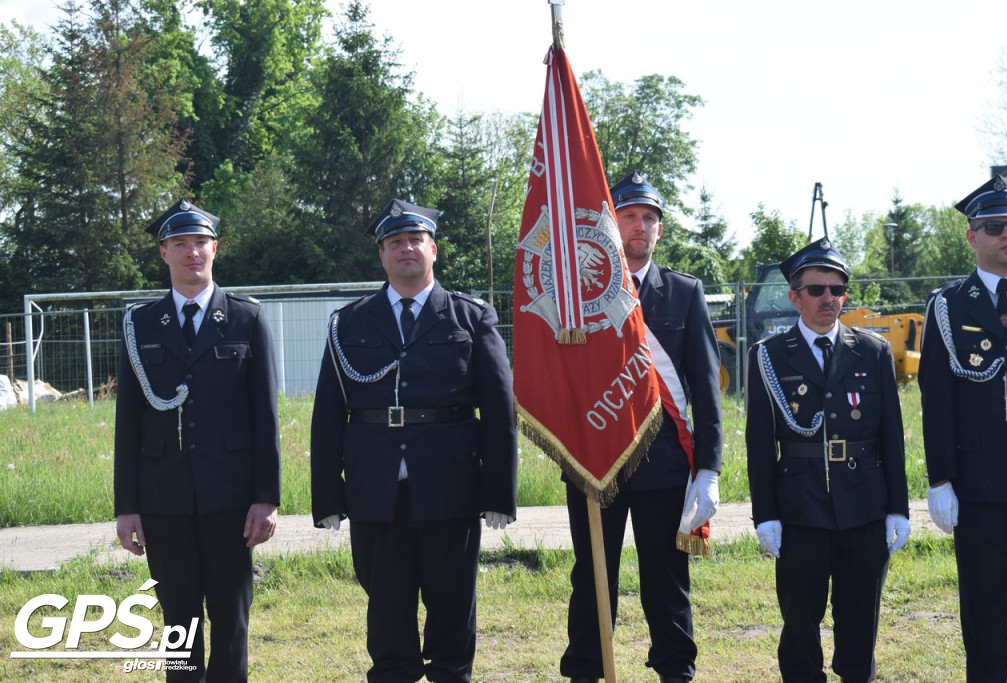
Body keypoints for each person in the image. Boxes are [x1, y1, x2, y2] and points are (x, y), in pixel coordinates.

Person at [309, 199, 518, 683]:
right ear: (382, 256)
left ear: (434, 250)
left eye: (415, 240)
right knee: (386, 614)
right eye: (394, 242)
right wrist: (328, 498)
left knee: (452, 612)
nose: (406, 248)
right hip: (376, 491)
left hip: (451, 487)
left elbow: (499, 410)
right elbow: (327, 416)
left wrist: (498, 495)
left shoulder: (472, 318)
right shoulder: (349, 323)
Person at [559, 172, 724, 683]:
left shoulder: (683, 292)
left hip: (665, 465)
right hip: (596, 461)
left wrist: (709, 469)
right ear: (612, 225)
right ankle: (586, 670)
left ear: (659, 231)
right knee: (592, 578)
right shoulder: (580, 291)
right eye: (628, 216)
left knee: (666, 579)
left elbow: (705, 386)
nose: (639, 226)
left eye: (649, 218)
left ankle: (676, 669)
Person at [114, 199, 281, 681]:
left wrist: (266, 498)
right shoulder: (139, 324)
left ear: (215, 250)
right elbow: (129, 422)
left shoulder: (247, 319)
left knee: (231, 619)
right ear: (163, 253)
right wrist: (127, 506)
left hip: (231, 500)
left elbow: (265, 418)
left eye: (201, 243)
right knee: (178, 623)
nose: (192, 253)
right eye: (180, 244)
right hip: (163, 499)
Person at [745, 238, 910, 682]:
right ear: (795, 296)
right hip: (801, 508)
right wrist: (766, 514)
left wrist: (898, 508)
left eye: (837, 290)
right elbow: (759, 444)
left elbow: (891, 436)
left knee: (860, 625)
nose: (828, 299)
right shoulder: (769, 356)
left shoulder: (872, 352)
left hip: (863, 505)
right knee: (800, 626)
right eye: (816, 290)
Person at [920, 174, 1007, 681]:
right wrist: (940, 479)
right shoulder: (948, 305)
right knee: (982, 606)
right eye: (997, 227)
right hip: (978, 483)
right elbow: (936, 398)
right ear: (973, 236)